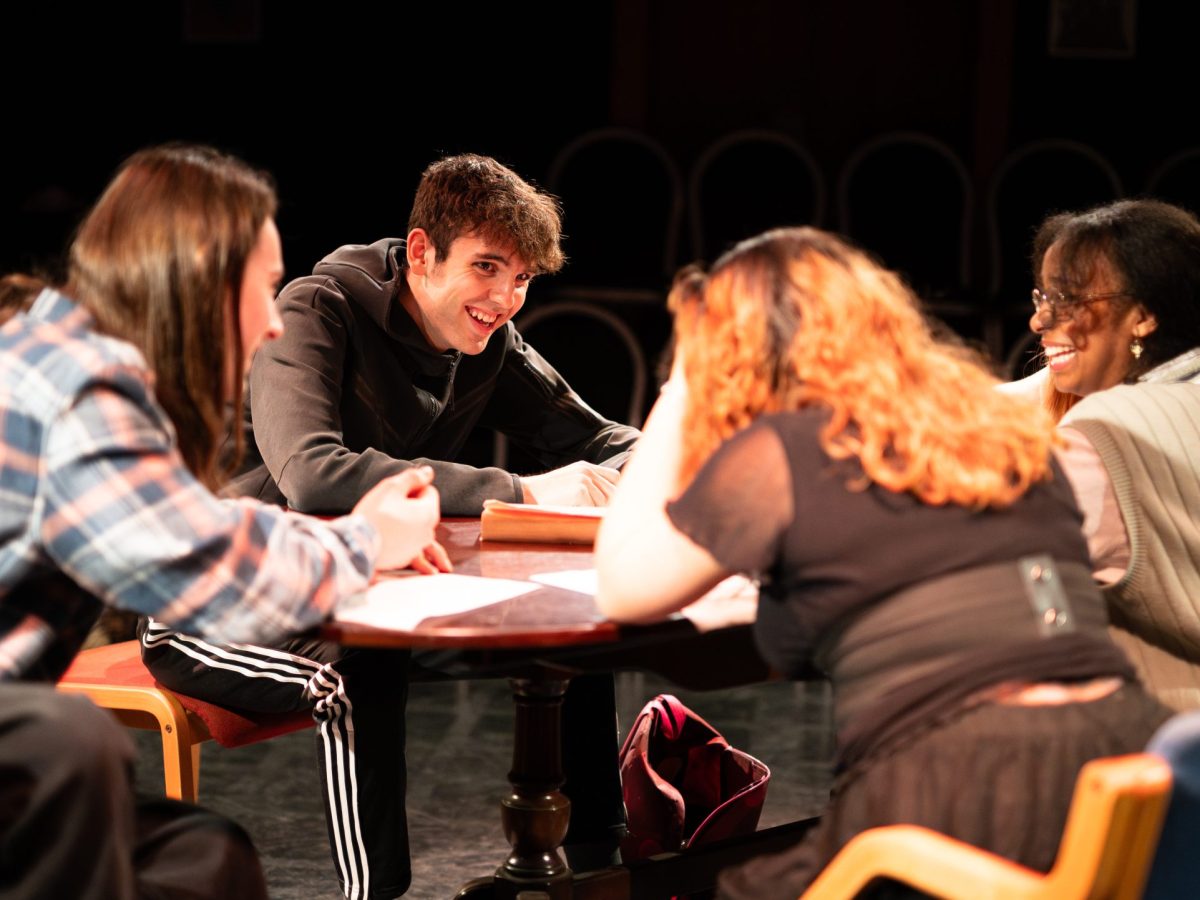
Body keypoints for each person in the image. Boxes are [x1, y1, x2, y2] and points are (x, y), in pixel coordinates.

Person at [594, 227, 1169, 898]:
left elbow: (622, 589)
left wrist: (681, 387)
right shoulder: (1000, 431)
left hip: (967, 788)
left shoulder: (785, 452)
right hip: (1134, 753)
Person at [141, 153, 635, 899]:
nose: (505, 298)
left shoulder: (486, 343)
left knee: (574, 627)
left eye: (524, 278)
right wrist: (524, 492)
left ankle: (602, 865)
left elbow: (604, 440)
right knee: (352, 667)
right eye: (488, 268)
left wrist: (668, 470)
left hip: (356, 594)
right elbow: (313, 473)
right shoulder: (313, 312)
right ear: (421, 253)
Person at [0, 145, 441, 898]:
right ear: (200, 273)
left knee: (206, 857)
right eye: (264, 288)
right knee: (70, 748)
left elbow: (200, 520)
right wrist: (368, 542)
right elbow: (211, 571)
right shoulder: (77, 385)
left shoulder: (80, 361)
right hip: (24, 746)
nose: (274, 325)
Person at [1023, 198, 1200, 709]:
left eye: (1068, 301)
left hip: (1153, 751)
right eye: (1043, 296)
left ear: (1142, 316)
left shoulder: (1104, 430)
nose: (1040, 321)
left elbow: (1030, 601)